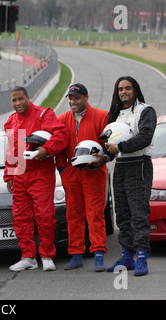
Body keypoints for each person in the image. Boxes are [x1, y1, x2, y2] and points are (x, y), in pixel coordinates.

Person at [4, 86, 69, 272]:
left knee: (45, 216)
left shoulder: (43, 115)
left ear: (28, 97)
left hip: (40, 173)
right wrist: (8, 175)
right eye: (14, 100)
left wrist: (47, 150)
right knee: (20, 218)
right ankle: (28, 257)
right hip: (19, 174)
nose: (17, 103)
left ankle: (47, 256)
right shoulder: (10, 121)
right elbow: (11, 150)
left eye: (20, 99)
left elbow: (61, 134)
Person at [105, 76, 156, 276]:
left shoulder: (146, 110)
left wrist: (119, 147)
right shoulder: (116, 115)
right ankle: (127, 257)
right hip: (121, 167)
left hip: (139, 166)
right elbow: (110, 144)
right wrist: (101, 154)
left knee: (138, 215)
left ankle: (142, 257)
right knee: (123, 215)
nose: (124, 92)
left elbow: (145, 137)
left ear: (135, 89)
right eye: (120, 89)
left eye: (127, 88)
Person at [56, 83, 109, 272]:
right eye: (70, 98)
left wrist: (103, 160)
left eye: (76, 98)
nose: (72, 101)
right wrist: (62, 169)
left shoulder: (102, 116)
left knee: (95, 214)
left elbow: (109, 145)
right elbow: (59, 147)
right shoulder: (62, 119)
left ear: (86, 97)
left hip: (94, 174)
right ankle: (76, 254)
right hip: (71, 175)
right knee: (73, 215)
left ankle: (98, 254)